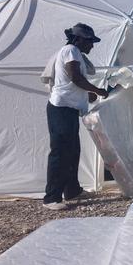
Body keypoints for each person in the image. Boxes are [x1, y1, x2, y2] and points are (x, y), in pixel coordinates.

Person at [43, 23, 108, 210]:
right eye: (89, 41)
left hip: (69, 108)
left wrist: (88, 94)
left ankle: (72, 190)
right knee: (60, 152)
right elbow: (75, 78)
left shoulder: (75, 53)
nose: (92, 45)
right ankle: (51, 198)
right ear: (78, 39)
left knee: (72, 151)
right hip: (61, 108)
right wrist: (97, 90)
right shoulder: (71, 50)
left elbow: (72, 82)